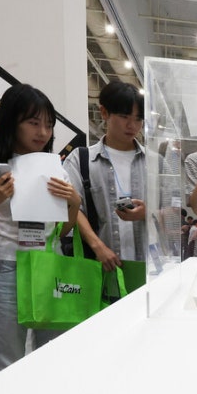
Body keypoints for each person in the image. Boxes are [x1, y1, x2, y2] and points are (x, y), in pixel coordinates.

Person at [0, 84, 81, 374]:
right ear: (11, 122)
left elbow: (60, 232)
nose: (43, 132)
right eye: (33, 123)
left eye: (49, 125)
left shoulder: (56, 168)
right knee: (7, 364)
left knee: (52, 359)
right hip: (4, 267)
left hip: (49, 266)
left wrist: (74, 203)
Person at [63, 81, 146, 300]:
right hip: (97, 266)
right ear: (104, 112)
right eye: (124, 116)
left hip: (145, 268)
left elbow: (171, 208)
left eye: (138, 119)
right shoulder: (81, 159)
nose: (132, 125)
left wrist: (147, 212)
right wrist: (97, 245)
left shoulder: (154, 161)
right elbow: (73, 207)